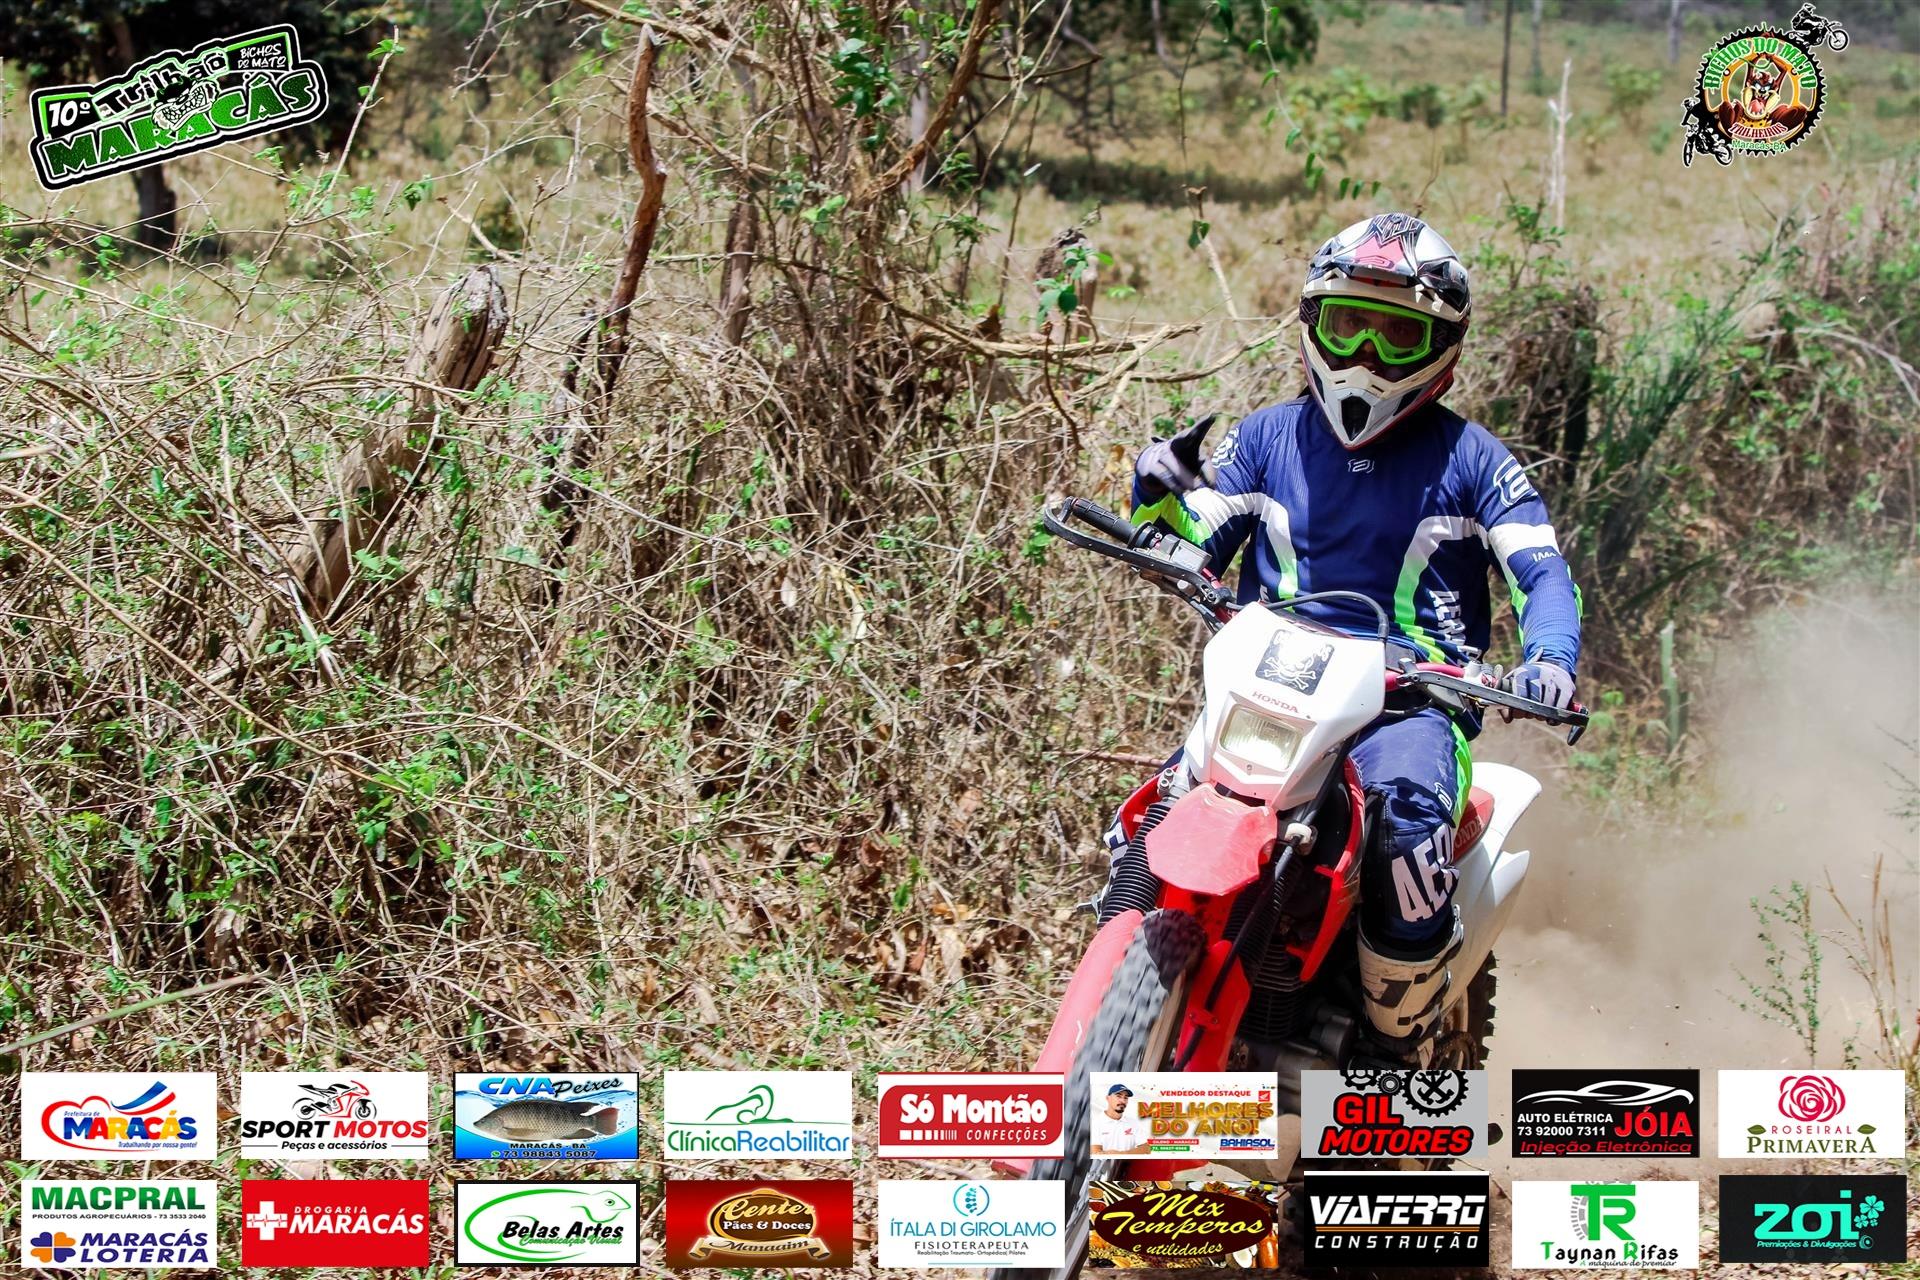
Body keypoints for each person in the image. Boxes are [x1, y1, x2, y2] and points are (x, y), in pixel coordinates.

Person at [1127, 212, 1583, 1060]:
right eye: (1349, 327)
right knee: (1154, 807)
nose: (1366, 357)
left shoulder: (1477, 461)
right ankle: (1125, 959)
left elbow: (1541, 572)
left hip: (1412, 703)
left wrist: (1550, 659)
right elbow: (1198, 539)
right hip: (1270, 686)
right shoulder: (1265, 437)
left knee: (1407, 829)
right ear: (1311, 322)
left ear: (1442, 347)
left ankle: (1393, 1043)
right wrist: (1158, 494)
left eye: (1396, 334)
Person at [1092, 1082, 1146, 1155]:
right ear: (1108, 1098)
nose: (1123, 1101)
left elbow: (1146, 1148)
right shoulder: (1095, 1123)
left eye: (1126, 1098)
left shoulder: (1133, 1123)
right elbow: (1095, 1151)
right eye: (1118, 1096)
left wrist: (1123, 1154)